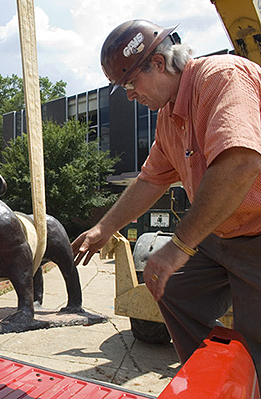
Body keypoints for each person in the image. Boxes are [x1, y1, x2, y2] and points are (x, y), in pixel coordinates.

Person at [72, 19, 261, 381]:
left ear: (158, 63)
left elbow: (240, 163)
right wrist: (103, 227)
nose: (129, 95)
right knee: (169, 287)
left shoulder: (222, 76)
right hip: (222, 237)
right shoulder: (169, 118)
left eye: (129, 83)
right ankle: (216, 380)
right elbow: (149, 181)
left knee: (256, 343)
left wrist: (178, 246)